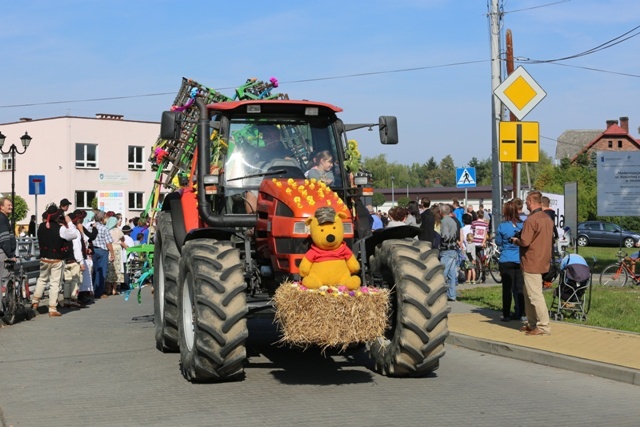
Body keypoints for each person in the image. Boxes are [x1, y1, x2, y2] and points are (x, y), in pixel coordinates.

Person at [512, 191, 554, 336]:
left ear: (530, 201)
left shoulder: (532, 220)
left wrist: (516, 240)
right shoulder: (547, 218)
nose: (526, 204)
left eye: (526, 201)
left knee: (535, 295)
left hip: (532, 261)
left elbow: (525, 241)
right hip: (543, 259)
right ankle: (531, 323)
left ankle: (543, 326)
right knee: (528, 293)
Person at [31, 205, 78, 317]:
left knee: (42, 279)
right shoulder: (60, 228)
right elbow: (74, 234)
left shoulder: (41, 227)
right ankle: (52, 308)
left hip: (44, 258)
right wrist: (69, 222)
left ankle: (35, 301)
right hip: (56, 259)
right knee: (54, 283)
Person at [495, 201, 525, 322]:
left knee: (507, 288)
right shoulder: (523, 225)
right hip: (519, 259)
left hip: (506, 259)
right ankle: (521, 313)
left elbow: (498, 242)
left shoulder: (502, 226)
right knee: (519, 288)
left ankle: (506, 314)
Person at [60, 211, 86, 308]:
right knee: (75, 280)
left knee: (67, 281)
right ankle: (73, 299)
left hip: (65, 259)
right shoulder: (74, 231)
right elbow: (76, 247)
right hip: (74, 260)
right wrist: (81, 261)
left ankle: (66, 299)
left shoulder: (62, 230)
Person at [89, 211, 115, 299]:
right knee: (102, 271)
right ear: (102, 219)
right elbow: (108, 243)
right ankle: (99, 292)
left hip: (93, 249)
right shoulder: (105, 228)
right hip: (102, 250)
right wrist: (112, 253)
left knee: (94, 271)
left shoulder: (90, 227)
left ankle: (93, 289)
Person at [439, 204, 460, 302]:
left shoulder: (444, 221)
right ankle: (452, 295)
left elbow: (445, 235)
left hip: (446, 250)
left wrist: (441, 239)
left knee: (442, 273)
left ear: (440, 212)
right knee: (451, 275)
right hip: (453, 249)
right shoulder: (453, 220)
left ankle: (439, 295)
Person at [106, 215, 126, 296]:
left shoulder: (107, 230)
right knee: (117, 268)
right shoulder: (118, 230)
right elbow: (122, 239)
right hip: (117, 249)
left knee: (109, 269)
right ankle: (114, 289)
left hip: (109, 249)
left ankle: (108, 289)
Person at [0, 198, 17, 286]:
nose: (11, 207)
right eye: (8, 205)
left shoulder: (4, 218)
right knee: (4, 279)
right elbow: (4, 239)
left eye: (11, 205)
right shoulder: (2, 219)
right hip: (3, 253)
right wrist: (11, 255)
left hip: (4, 252)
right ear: (1, 207)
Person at [471, 210, 490, 282]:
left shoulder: (474, 223)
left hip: (475, 242)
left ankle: (476, 274)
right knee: (482, 259)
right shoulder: (485, 224)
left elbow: (472, 233)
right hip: (481, 243)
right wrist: (483, 242)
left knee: (474, 258)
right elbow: (485, 234)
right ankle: (484, 275)